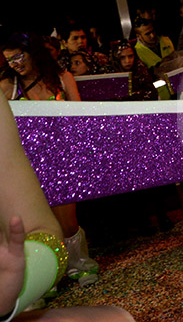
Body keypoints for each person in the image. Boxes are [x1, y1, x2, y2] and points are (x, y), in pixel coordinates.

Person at [0, 94, 135, 322]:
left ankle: (81, 265)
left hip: (57, 155)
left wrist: (17, 283)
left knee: (115, 318)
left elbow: (41, 231)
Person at [0, 34, 99, 289]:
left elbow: (80, 118)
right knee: (38, 227)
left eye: (19, 57)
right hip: (26, 167)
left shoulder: (61, 78)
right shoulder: (7, 87)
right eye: (9, 60)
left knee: (67, 223)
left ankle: (80, 266)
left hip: (62, 161)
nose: (15, 64)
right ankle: (46, 278)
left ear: (33, 52)